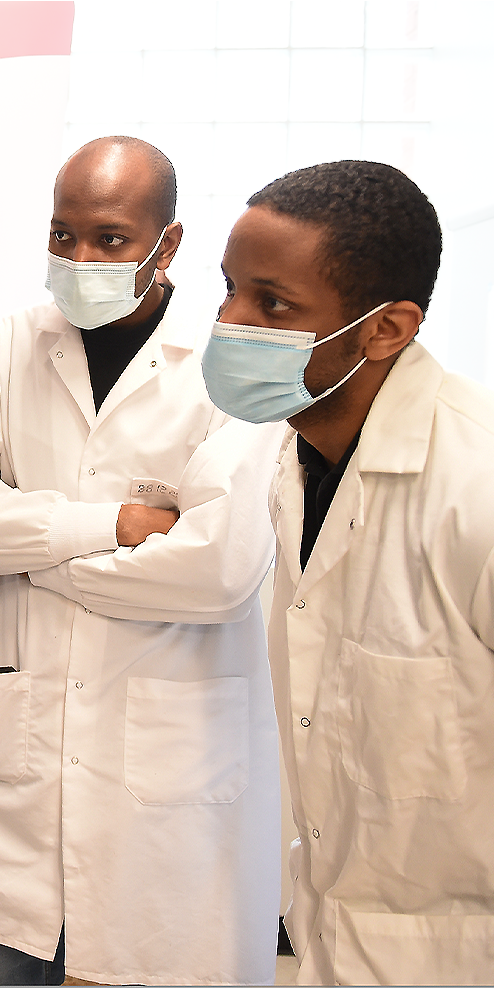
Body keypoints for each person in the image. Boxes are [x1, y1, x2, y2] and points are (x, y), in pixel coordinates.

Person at [0, 136, 285, 986]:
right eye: (62, 235)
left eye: (110, 239)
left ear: (169, 244)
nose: (80, 259)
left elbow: (218, 570)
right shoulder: (5, 348)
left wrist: (31, 557)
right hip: (20, 784)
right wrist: (116, 524)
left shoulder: (233, 366)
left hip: (170, 797)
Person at [204, 160, 494, 985]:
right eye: (227, 289)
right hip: (327, 938)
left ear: (386, 328)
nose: (229, 322)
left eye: (272, 304)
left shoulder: (478, 483)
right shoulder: (292, 465)